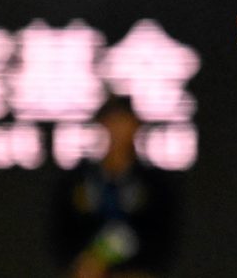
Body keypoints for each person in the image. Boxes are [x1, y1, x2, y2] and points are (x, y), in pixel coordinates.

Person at [49, 94, 181, 278]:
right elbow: (61, 233)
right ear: (102, 124)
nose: (118, 129)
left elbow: (163, 237)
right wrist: (86, 264)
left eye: (124, 121)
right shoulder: (78, 180)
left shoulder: (155, 184)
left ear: (136, 126)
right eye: (112, 121)